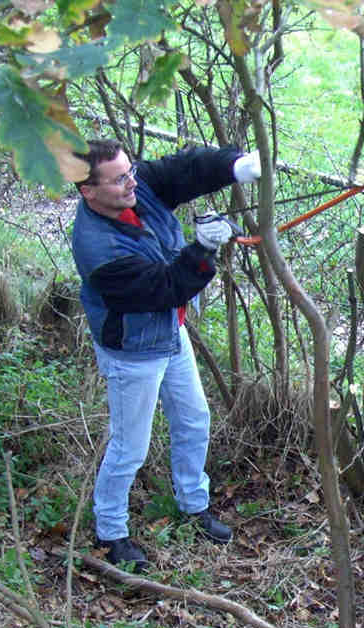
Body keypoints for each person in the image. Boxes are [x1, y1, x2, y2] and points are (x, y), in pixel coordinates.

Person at [72, 138, 260, 571]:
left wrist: (236, 165)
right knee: (129, 447)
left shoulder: (135, 189)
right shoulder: (98, 248)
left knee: (194, 419)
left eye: (130, 171)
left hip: (170, 334)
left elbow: (184, 169)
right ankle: (110, 532)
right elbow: (163, 287)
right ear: (89, 191)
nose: (131, 183)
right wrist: (203, 249)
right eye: (118, 179)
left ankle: (194, 505)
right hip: (134, 352)